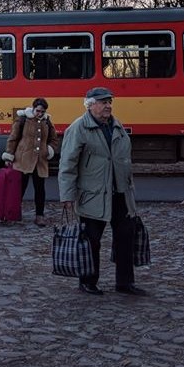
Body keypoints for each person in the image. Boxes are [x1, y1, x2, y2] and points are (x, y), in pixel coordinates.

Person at [59, 87, 145, 296]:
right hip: (92, 194)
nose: (107, 106)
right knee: (91, 241)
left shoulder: (116, 126)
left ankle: (125, 283)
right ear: (89, 105)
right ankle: (88, 281)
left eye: (109, 102)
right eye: (102, 102)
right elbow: (67, 165)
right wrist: (67, 196)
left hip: (120, 193)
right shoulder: (78, 128)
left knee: (125, 238)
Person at [2, 97, 60, 226]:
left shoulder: (47, 122)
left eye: (42, 112)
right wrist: (9, 155)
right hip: (23, 160)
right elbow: (13, 137)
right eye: (38, 111)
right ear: (33, 109)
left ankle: (39, 215)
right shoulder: (23, 119)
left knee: (40, 190)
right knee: (19, 189)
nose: (39, 114)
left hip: (40, 162)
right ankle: (12, 214)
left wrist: (49, 150)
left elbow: (54, 139)